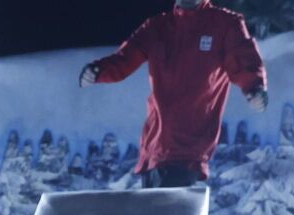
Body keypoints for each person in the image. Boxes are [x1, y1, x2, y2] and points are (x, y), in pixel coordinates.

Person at [78, 0, 270, 189]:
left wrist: (254, 89)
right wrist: (97, 71)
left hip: (187, 151)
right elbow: (124, 59)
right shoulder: (157, 27)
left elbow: (245, 61)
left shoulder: (225, 24)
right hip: (153, 152)